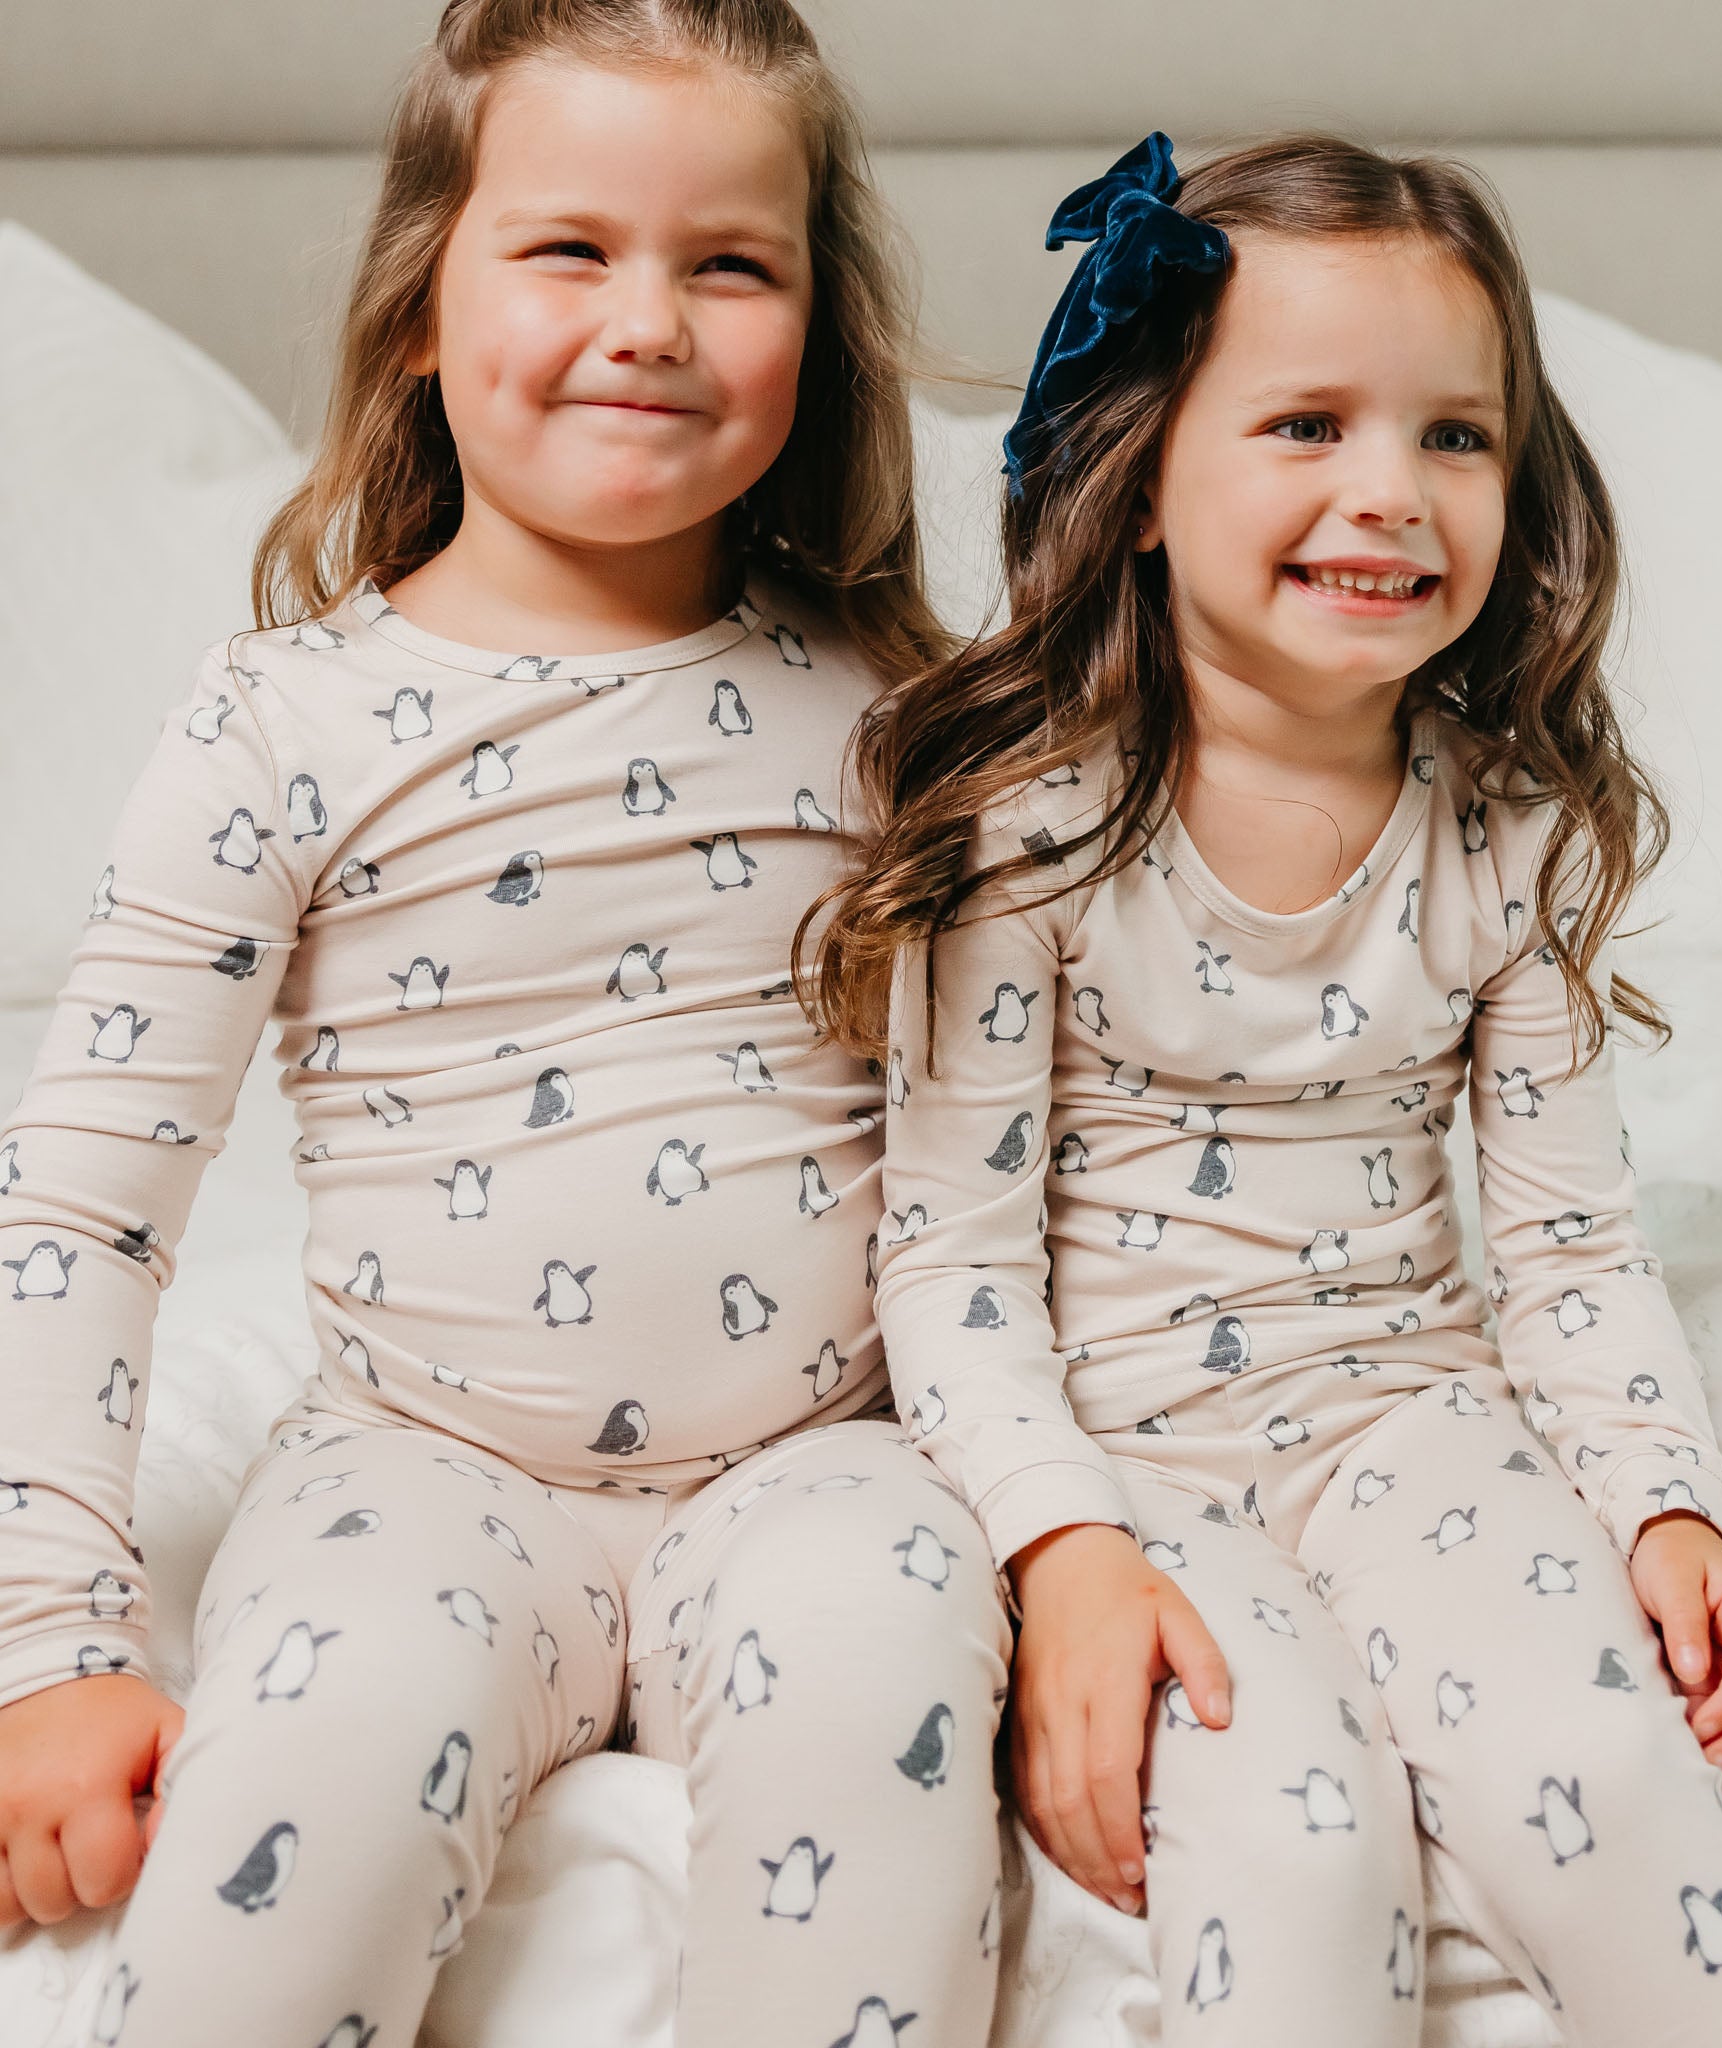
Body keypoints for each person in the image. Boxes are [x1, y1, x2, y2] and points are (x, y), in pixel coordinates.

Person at [0, 6, 1010, 2044]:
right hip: (423, 1458)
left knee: (875, 1761)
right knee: (309, 1801)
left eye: (731, 265)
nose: (648, 322)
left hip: (824, 1459)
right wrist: (48, 1641)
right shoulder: (281, 723)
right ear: (418, 309)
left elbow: (1028, 1150)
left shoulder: (907, 716)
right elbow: (84, 1208)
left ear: (816, 338)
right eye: (568, 249)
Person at [806, 132, 1722, 2045]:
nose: (1392, 491)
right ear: (1139, 482)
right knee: (1298, 1845)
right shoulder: (1026, 833)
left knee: (1612, 1776)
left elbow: (1568, 1245)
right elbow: (950, 1262)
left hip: (1411, 1418)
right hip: (1127, 1456)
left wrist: (1663, 1511)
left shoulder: (1510, 830)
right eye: (1307, 425)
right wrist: (1063, 1544)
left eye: (1456, 435)